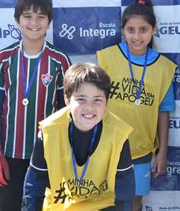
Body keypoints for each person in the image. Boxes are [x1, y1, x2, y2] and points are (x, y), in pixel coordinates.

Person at [0, 0, 71, 210]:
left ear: (49, 22)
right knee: (6, 206)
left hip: (46, 152)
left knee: (45, 206)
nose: (34, 22)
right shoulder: (4, 58)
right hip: (9, 152)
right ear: (17, 20)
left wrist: (63, 150)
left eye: (41, 17)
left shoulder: (59, 60)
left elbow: (65, 110)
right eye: (28, 16)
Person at [96, 0, 177, 210]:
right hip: (106, 146)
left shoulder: (164, 68)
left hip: (141, 150)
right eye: (131, 30)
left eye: (143, 30)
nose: (137, 36)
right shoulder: (107, 58)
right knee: (106, 199)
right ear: (123, 30)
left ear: (153, 31)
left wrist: (163, 152)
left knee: (135, 201)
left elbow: (163, 112)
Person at [23, 63, 135, 210]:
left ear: (107, 102)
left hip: (101, 207)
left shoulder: (118, 133)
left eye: (97, 100)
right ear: (67, 99)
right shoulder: (48, 131)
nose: (89, 107)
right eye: (81, 99)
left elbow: (124, 189)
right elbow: (34, 185)